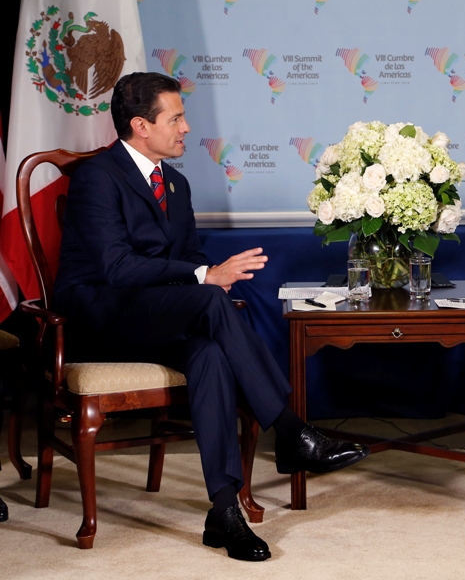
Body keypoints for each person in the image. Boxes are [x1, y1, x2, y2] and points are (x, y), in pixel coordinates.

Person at [53, 72, 370, 561]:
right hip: (103, 319)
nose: (185, 128)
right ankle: (288, 430)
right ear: (140, 125)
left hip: (156, 318)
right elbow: (115, 268)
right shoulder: (97, 177)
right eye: (175, 118)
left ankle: (224, 511)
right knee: (209, 296)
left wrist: (205, 276)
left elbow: (184, 265)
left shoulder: (175, 185)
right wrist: (206, 274)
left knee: (209, 355)